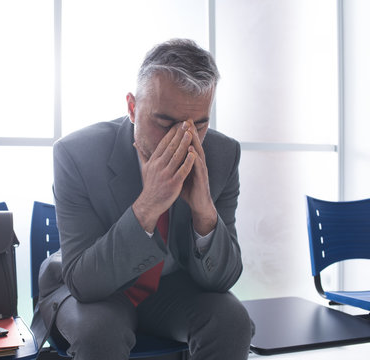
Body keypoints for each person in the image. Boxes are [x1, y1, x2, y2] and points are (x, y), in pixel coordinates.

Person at [31, 38, 254, 360]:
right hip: (90, 286)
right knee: (100, 332)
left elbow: (223, 279)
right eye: (165, 123)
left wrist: (204, 212)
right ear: (133, 108)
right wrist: (149, 205)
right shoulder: (77, 153)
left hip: (171, 289)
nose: (183, 139)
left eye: (200, 124)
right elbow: (84, 282)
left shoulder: (221, 155)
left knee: (232, 320)